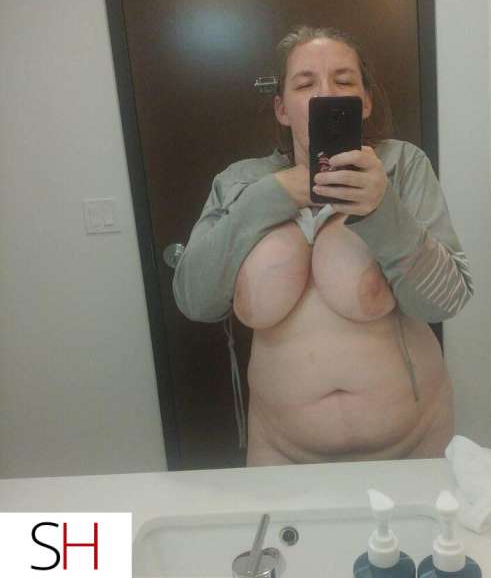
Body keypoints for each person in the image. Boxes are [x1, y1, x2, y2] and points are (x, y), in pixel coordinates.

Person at [173, 26, 473, 466]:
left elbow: (446, 301)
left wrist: (383, 209)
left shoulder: (402, 165)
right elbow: (194, 300)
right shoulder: (239, 183)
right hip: (282, 453)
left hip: (414, 443)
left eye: (343, 81)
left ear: (364, 102)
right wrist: (268, 198)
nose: (325, 93)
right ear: (282, 108)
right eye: (305, 83)